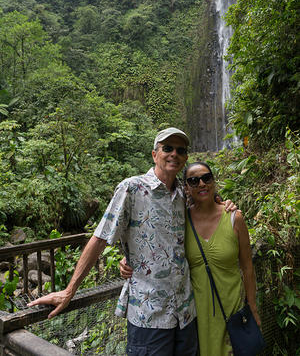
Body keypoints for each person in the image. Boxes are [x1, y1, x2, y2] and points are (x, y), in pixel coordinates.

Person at [28, 128, 235, 356]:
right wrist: (69, 291)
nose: (174, 153)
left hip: (185, 313)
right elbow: (100, 237)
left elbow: (204, 207)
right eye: (167, 148)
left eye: (180, 150)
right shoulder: (132, 188)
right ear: (155, 154)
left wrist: (223, 203)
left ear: (185, 157)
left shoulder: (183, 195)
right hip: (149, 316)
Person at [183, 161, 261, 355]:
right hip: (197, 317)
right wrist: (128, 261)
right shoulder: (180, 221)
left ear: (213, 181)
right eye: (194, 181)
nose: (201, 184)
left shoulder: (235, 218)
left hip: (233, 311)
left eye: (206, 178)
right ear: (186, 188)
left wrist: (252, 307)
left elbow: (247, 267)